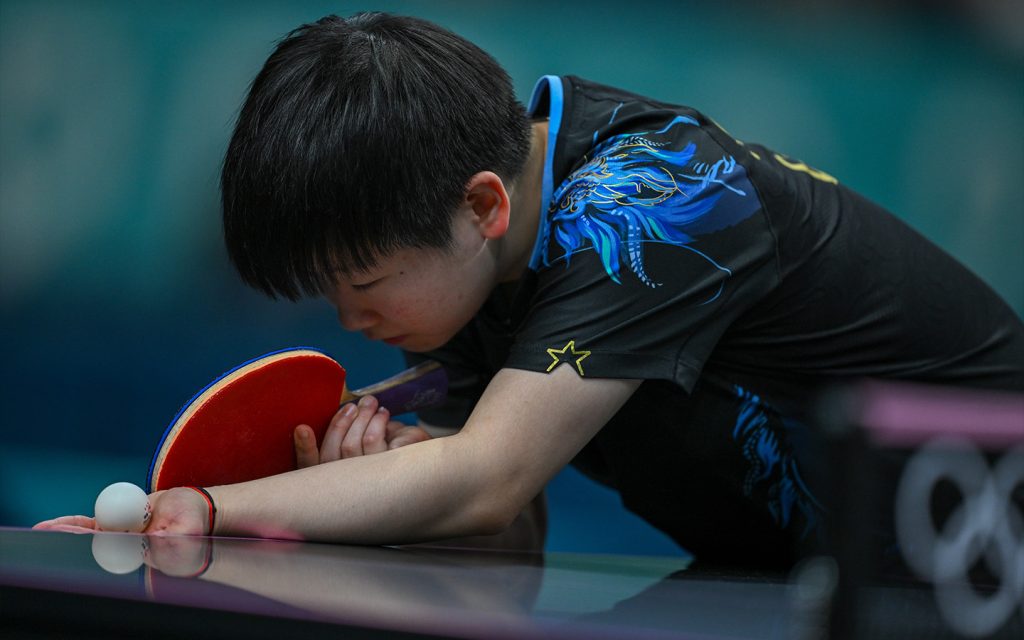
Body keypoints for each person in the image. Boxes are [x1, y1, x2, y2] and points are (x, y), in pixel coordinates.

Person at [37, 12, 1024, 568]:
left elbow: (489, 482)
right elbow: (512, 544)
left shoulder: (655, 200)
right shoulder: (482, 261)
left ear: (481, 205)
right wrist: (402, 464)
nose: (350, 323)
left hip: (987, 565)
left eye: (368, 284)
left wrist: (207, 506)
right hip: (832, 583)